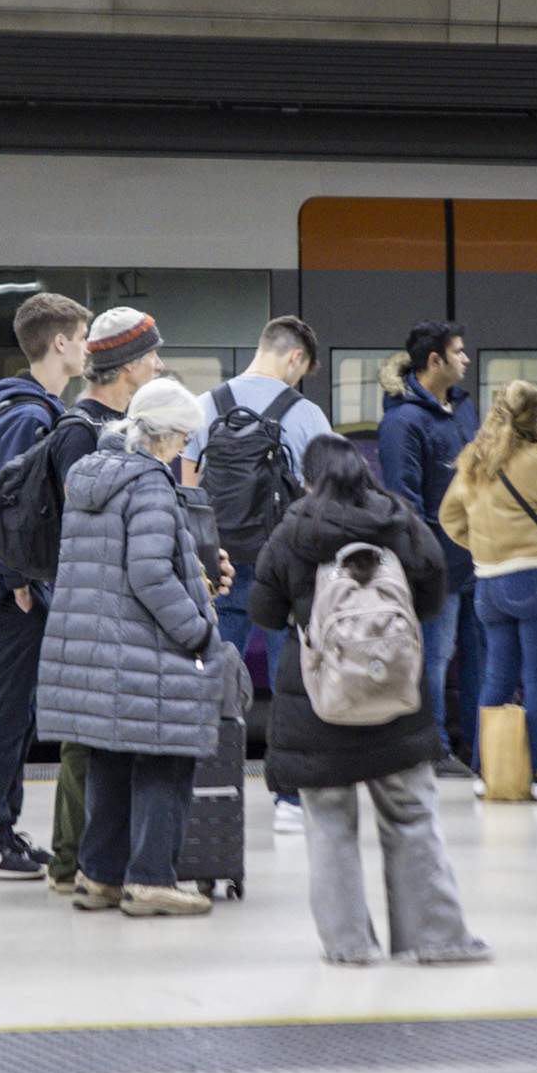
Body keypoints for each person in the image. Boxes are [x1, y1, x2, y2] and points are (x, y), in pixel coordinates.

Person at [250, 433, 487, 964]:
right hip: (394, 699)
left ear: (310, 480)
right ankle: (436, 938)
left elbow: (264, 612)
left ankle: (349, 946)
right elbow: (432, 594)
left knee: (330, 825)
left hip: (319, 701)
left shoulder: (294, 530)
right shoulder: (398, 519)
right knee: (412, 816)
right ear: (362, 472)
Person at [38, 376, 223, 918]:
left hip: (97, 650)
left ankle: (99, 877)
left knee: (110, 760)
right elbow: (149, 575)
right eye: (184, 438)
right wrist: (197, 630)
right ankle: (150, 879)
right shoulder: (148, 485)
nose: (185, 449)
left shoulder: (90, 478)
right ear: (164, 436)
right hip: (145, 647)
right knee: (168, 756)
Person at [0, 290, 93, 881]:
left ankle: (2, 829)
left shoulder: (26, 408)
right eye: (83, 339)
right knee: (9, 711)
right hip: (12, 587)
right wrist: (19, 580)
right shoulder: (30, 416)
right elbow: (4, 504)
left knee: (19, 709)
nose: (87, 349)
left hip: (11, 583)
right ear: (60, 344)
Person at [186, 315, 331, 828]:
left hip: (217, 567)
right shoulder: (306, 413)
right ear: (295, 357)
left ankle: (200, 788)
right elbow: (323, 498)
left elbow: (187, 491)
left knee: (211, 679)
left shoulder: (205, 406)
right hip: (284, 570)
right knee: (290, 682)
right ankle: (289, 801)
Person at [40, 307, 166, 893]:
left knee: (97, 738)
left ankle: (85, 862)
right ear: (125, 367)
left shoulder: (117, 425)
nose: (160, 366)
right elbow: (81, 529)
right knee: (83, 742)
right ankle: (69, 865)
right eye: (151, 358)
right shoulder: (81, 431)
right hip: (93, 602)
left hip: (112, 601)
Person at [441, 380, 537, 802]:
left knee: (495, 678)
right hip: (536, 579)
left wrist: (483, 544)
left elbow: (450, 517)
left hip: (488, 583)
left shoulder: (473, 462)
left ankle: (485, 770)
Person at [379, 322, 483, 772]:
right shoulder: (403, 422)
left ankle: (481, 750)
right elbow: (405, 501)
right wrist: (426, 563)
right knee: (434, 660)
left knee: (479, 664)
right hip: (438, 565)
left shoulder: (464, 411)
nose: (466, 359)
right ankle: (434, 747)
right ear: (434, 361)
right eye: (458, 352)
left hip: (479, 561)